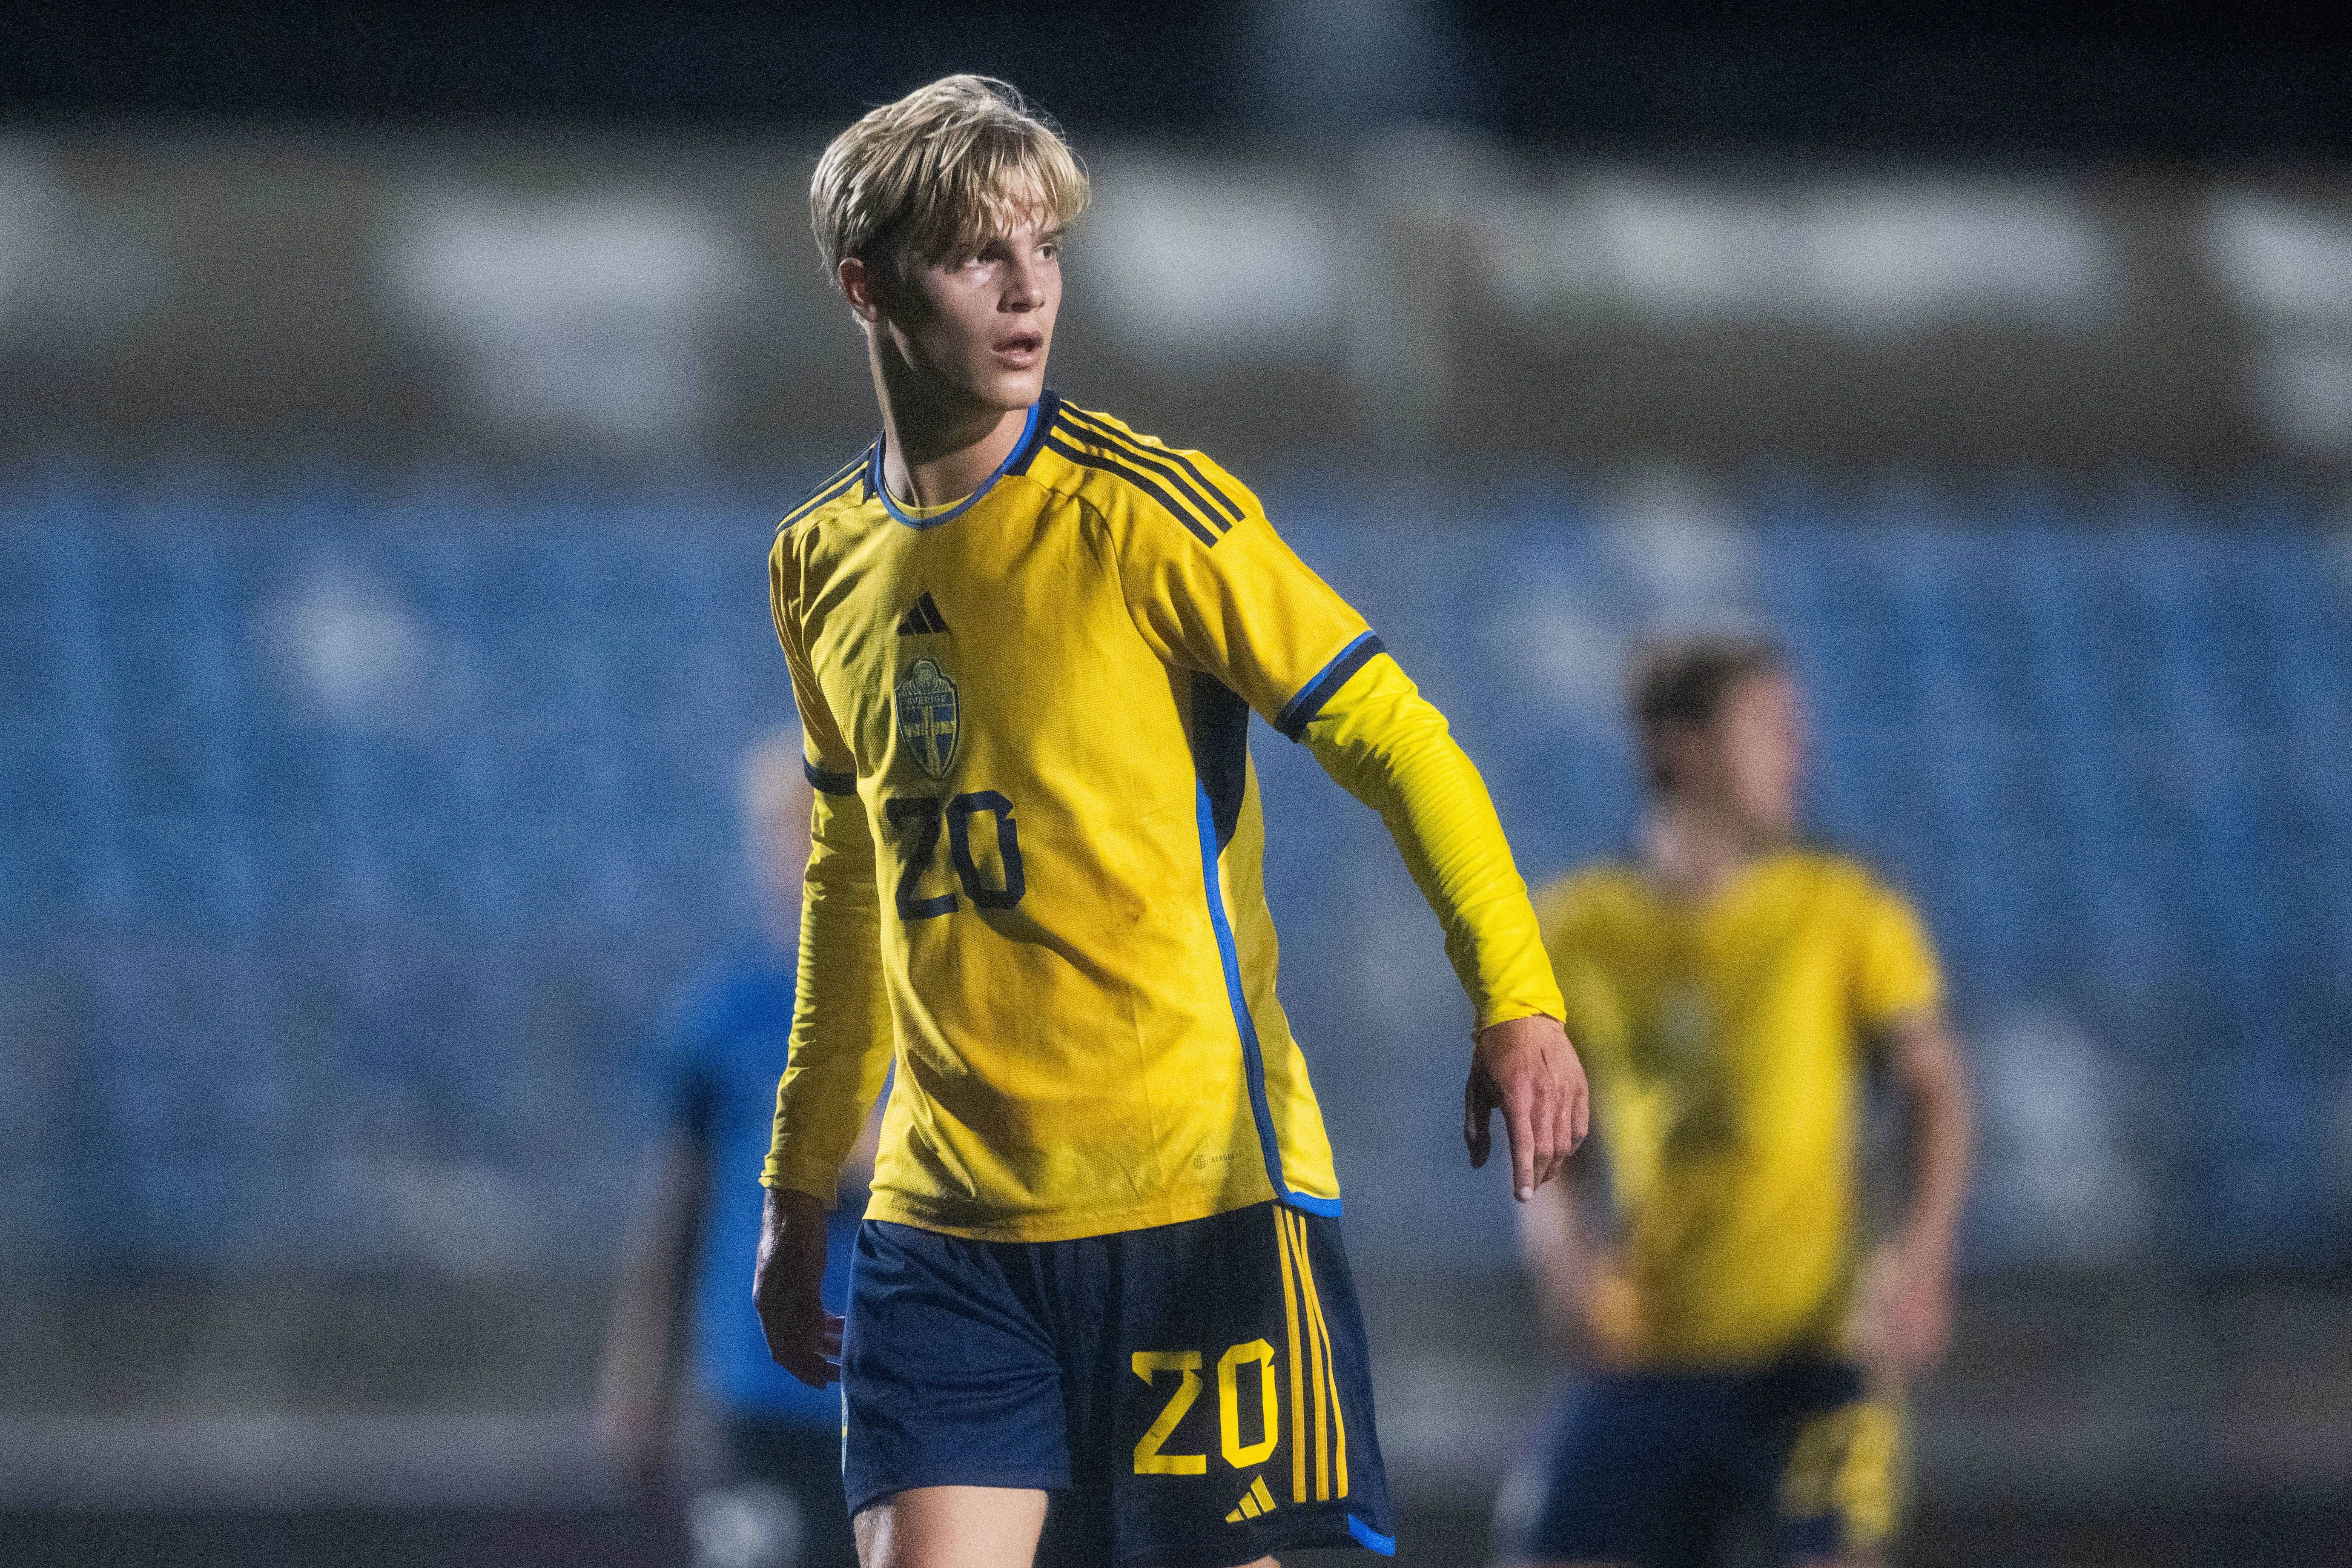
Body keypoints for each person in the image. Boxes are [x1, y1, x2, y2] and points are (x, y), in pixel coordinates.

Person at [751, 75, 1590, 1568]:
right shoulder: (817, 563)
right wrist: (801, 1180)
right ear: (864, 285)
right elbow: (852, 881)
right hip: (946, 1233)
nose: (1027, 294)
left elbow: (1398, 733)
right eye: (975, 256)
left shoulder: (1148, 515)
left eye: (1046, 250)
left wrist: (1515, 997)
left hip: (1192, 1198)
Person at [1502, 637, 1974, 1568]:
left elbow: (1932, 1087)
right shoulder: (1575, 928)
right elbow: (1551, 1129)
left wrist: (1917, 1256)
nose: (1797, 752)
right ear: (1677, 745)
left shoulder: (1845, 909)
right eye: (1769, 727)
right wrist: (1560, 1248)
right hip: (1646, 1351)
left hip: (1811, 1358)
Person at [598, 733, 868, 1568]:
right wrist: (638, 1379)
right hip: (762, 1394)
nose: (795, 860)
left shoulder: (933, 1012)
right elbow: (676, 1215)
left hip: (905, 1397)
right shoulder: (725, 1020)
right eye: (782, 836)